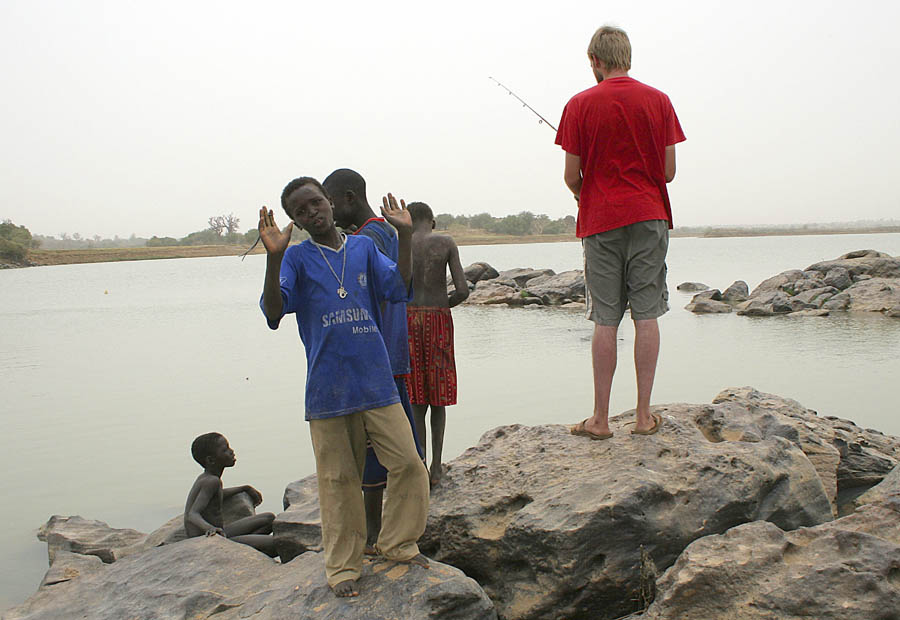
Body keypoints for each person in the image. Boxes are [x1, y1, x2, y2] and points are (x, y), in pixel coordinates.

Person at [258, 177, 429, 598]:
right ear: (295, 221)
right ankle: (343, 568)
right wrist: (274, 260)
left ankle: (398, 542)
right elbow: (274, 313)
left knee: (408, 463)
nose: (312, 212)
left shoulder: (365, 247)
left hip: (376, 379)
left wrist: (404, 235)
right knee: (337, 483)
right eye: (301, 211)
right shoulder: (297, 259)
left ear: (331, 203)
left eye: (316, 202)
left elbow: (398, 287)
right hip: (328, 389)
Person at [555, 25, 685, 439]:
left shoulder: (578, 104)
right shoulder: (659, 101)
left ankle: (600, 419)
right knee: (647, 314)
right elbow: (667, 172)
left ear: (595, 60)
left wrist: (585, 195)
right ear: (627, 56)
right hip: (649, 216)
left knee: (605, 319)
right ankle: (644, 417)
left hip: (600, 220)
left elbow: (571, 175)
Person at [322, 168, 423, 554]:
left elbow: (384, 289)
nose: (329, 212)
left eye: (330, 202)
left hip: (379, 355)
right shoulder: (378, 233)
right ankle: (386, 531)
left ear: (348, 198)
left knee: (376, 450)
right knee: (393, 446)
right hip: (389, 352)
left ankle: (375, 534)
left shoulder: (368, 238)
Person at [404, 201, 468, 485]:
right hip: (438, 318)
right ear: (432, 221)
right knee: (438, 396)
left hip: (407, 321)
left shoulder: (399, 242)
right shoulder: (445, 242)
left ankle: (419, 466)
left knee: (416, 397)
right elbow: (463, 290)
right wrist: (445, 304)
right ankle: (437, 467)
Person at [183, 432, 277, 557]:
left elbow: (218, 494)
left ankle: (242, 547)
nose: (231, 451)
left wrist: (244, 488)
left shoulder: (209, 478)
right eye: (225, 450)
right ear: (211, 460)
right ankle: (239, 552)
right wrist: (210, 529)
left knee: (269, 519)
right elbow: (192, 514)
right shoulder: (211, 481)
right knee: (277, 544)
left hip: (222, 533)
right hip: (208, 541)